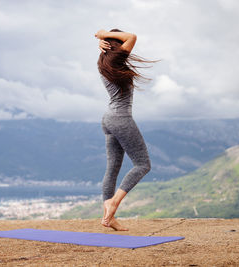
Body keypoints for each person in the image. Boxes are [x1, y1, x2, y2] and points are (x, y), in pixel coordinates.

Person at [95, 29, 155, 231]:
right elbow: (133, 37)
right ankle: (113, 203)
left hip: (108, 118)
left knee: (112, 168)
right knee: (143, 165)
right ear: (117, 46)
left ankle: (108, 217)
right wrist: (102, 34)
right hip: (120, 118)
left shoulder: (103, 62)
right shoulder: (116, 61)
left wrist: (102, 40)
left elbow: (124, 41)